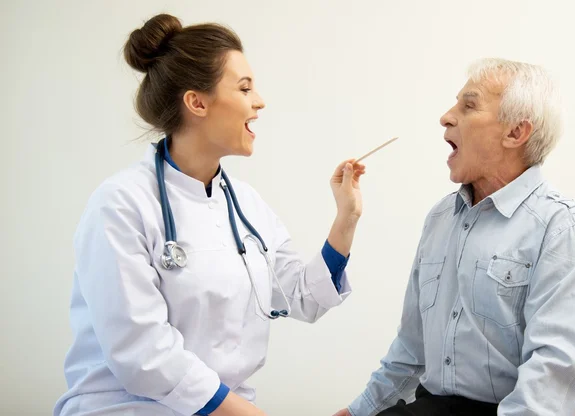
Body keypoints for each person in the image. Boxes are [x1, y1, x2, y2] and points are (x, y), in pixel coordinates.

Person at [54, 13, 366, 416]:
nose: (260, 101)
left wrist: (347, 218)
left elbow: (301, 298)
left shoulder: (247, 206)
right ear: (196, 102)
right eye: (244, 87)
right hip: (127, 408)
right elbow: (143, 354)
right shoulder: (120, 205)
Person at [334, 58, 575, 416]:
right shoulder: (440, 218)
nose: (446, 116)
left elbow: (554, 377)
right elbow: (412, 350)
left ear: (515, 133)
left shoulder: (562, 227)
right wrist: (355, 413)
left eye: (468, 105)